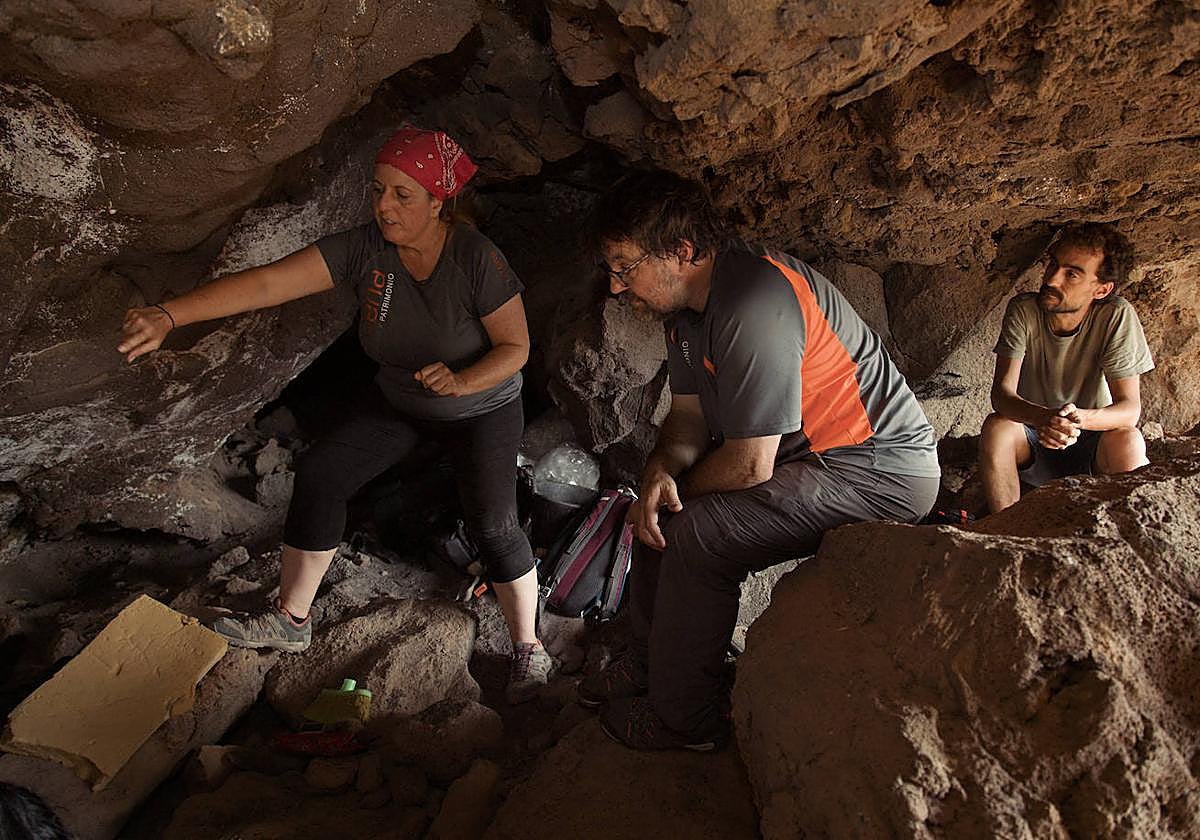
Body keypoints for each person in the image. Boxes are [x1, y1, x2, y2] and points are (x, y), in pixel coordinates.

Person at [117, 126, 552, 703]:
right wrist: (170, 315)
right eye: (378, 190)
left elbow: (516, 349)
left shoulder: (476, 258)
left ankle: (529, 648)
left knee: (493, 523)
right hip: (400, 400)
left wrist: (462, 380)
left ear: (438, 201)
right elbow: (271, 282)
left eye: (403, 194)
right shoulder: (365, 249)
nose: (384, 206)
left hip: (482, 408)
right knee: (322, 473)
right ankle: (292, 620)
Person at [575, 171, 941, 750]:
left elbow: (749, 465)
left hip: (879, 467)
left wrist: (673, 492)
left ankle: (685, 719)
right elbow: (689, 418)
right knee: (653, 512)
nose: (617, 287)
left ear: (682, 251)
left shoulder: (752, 301)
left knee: (698, 533)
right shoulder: (687, 313)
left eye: (625, 266)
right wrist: (660, 471)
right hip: (812, 459)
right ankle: (648, 661)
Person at [979, 223, 1153, 514]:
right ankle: (1005, 528)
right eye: (1053, 265)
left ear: (1101, 289)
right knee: (997, 428)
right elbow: (1001, 395)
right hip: (1034, 437)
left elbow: (1129, 410)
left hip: (1092, 442)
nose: (1052, 279)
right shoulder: (1024, 311)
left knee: (1128, 438)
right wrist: (1043, 418)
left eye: (1071, 274)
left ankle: (1126, 531)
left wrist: (1075, 420)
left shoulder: (1115, 315)